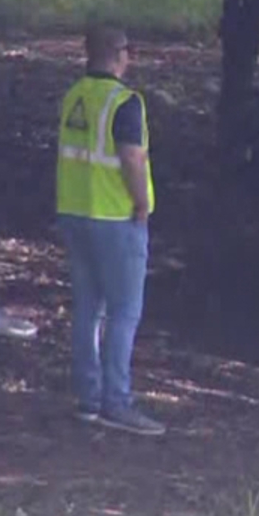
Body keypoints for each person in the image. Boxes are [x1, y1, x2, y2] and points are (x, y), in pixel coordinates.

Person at [55, 27, 165, 436]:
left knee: (88, 309)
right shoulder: (125, 103)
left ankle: (89, 397)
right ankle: (116, 402)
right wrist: (141, 203)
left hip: (74, 211)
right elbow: (131, 159)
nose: (131, 58)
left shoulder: (74, 96)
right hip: (115, 217)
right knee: (124, 312)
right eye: (129, 50)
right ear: (118, 54)